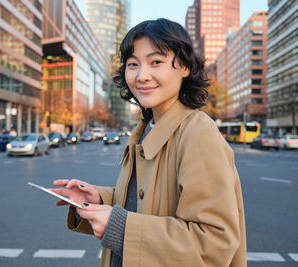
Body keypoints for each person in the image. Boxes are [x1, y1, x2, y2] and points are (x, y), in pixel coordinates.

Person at [50, 18, 246, 267]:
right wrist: (98, 199)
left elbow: (213, 241)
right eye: (133, 64)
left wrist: (120, 228)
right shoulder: (144, 129)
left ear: (184, 66)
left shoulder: (198, 133)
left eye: (156, 62)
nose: (142, 76)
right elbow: (146, 202)